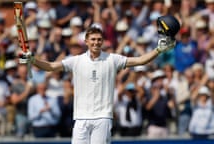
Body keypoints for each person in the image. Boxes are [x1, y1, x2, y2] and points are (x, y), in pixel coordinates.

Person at [20, 15, 179, 144]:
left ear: (102, 41)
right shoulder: (76, 60)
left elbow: (140, 60)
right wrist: (33, 60)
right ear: (86, 41)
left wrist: (158, 50)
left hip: (102, 117)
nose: (96, 42)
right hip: (81, 117)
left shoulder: (112, 59)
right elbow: (51, 66)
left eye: (99, 39)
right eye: (93, 39)